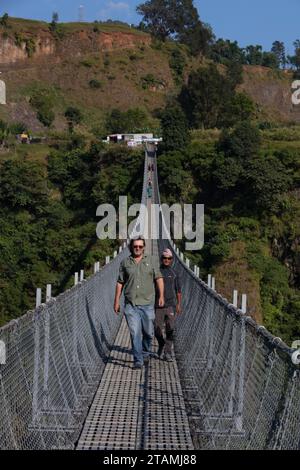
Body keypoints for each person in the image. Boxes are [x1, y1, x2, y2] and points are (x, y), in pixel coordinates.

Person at [114, 236, 164, 369]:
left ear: (144, 247)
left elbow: (159, 278)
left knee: (148, 333)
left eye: (140, 246)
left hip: (147, 304)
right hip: (131, 305)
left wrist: (161, 296)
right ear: (131, 247)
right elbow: (120, 282)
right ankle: (138, 360)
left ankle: (146, 352)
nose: (137, 248)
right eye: (135, 246)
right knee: (134, 332)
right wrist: (116, 301)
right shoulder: (125, 263)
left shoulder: (152, 260)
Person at [155, 248, 182, 362]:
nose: (166, 260)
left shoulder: (174, 273)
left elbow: (178, 291)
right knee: (156, 329)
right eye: (165, 258)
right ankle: (161, 343)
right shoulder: (156, 272)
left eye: (169, 258)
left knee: (170, 329)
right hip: (158, 306)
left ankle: (167, 353)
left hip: (170, 305)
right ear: (161, 259)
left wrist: (178, 304)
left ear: (171, 260)